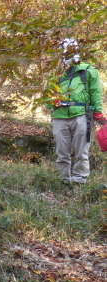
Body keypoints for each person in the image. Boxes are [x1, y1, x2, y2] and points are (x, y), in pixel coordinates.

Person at [46, 38, 105, 184]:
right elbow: (47, 97)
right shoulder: (56, 74)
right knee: (61, 153)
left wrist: (98, 112)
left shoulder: (88, 70)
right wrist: (53, 102)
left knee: (81, 152)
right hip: (59, 116)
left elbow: (96, 92)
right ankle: (63, 181)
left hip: (81, 115)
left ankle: (80, 181)